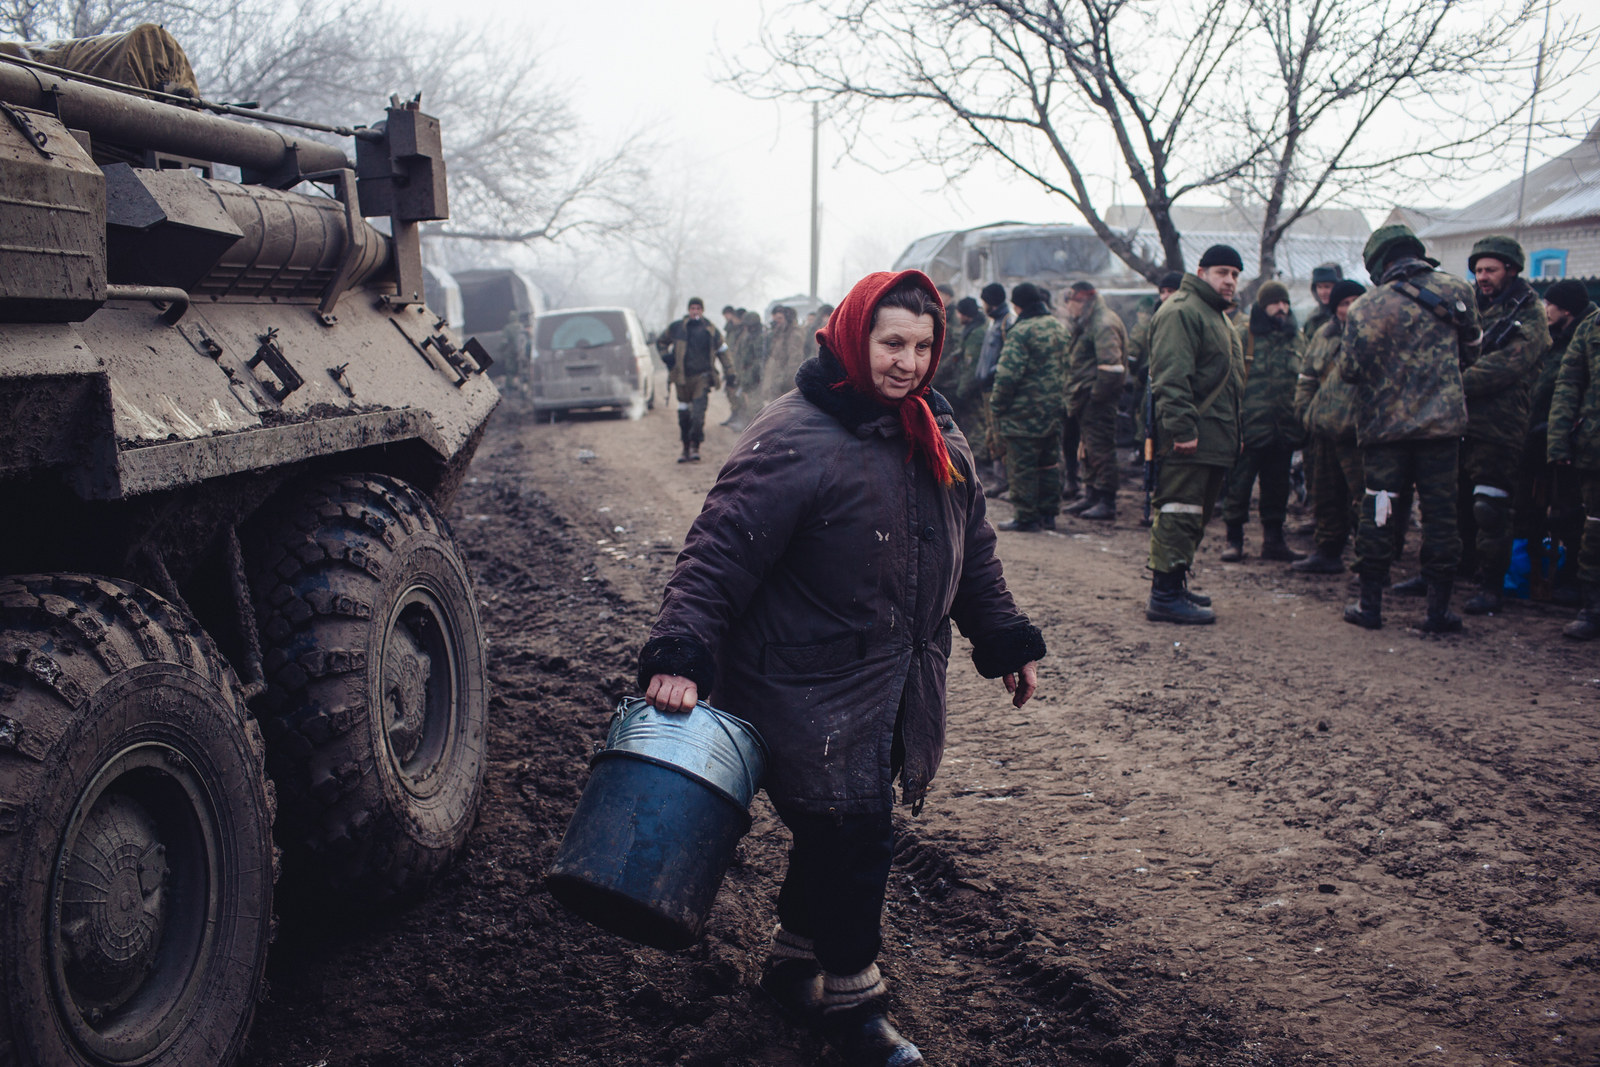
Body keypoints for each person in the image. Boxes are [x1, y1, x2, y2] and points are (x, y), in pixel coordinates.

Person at [637, 269, 1045, 1066]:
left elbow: (973, 558)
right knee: (857, 836)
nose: (909, 363)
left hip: (891, 683)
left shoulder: (938, 433)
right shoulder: (797, 434)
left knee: (834, 832)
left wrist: (1006, 641)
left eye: (925, 346)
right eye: (892, 342)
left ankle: (794, 963)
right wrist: (682, 652)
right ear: (855, 337)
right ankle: (856, 1005)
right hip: (803, 686)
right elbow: (718, 550)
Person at [1338, 223, 1480, 631]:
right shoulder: (1457, 291)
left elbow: (1349, 370)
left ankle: (1370, 606)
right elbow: (1472, 350)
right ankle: (1437, 611)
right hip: (1442, 428)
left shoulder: (1367, 306)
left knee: (1379, 509)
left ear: (1378, 263)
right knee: (1440, 515)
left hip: (1385, 433)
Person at [1144, 246, 1247, 623]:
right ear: (1201, 272)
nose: (1230, 281)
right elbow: (1172, 377)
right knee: (1178, 511)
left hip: (1212, 437)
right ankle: (1164, 595)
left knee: (1194, 514)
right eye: (1223, 272)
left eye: (1235, 274)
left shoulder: (1214, 315)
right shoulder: (1183, 311)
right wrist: (1183, 429)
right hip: (1190, 437)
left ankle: (1175, 582)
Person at [1455, 236, 1550, 615]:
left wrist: (1453, 382)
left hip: (1501, 425)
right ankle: (1450, 573)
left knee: (1489, 507)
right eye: (1478, 270)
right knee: (1452, 503)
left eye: (1490, 269)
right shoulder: (1472, 309)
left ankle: (1491, 585)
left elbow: (1509, 364)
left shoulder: (1530, 313)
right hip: (1460, 421)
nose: (1482, 277)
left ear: (1510, 270)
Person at [1219, 281, 1306, 562]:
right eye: (1275, 303)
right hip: (1249, 427)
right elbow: (1226, 380)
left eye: (1285, 303)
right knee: (1238, 486)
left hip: (1283, 429)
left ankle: (1274, 541)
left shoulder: (1296, 338)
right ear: (1262, 305)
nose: (1282, 308)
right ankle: (1234, 540)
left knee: (1278, 487)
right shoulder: (1244, 335)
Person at [1525, 280, 1597, 605]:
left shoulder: (1580, 336)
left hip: (1580, 439)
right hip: (1566, 440)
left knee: (1579, 518)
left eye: (1550, 304)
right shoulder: (1560, 340)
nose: (1545, 309)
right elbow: (1560, 389)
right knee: (1565, 514)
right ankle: (1567, 581)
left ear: (1566, 308)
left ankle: (1576, 583)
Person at [1292, 279, 1366, 574]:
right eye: (1344, 304)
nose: (1350, 309)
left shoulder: (1373, 333)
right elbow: (1307, 376)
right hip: (1323, 431)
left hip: (1358, 433)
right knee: (1325, 494)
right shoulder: (1323, 334)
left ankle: (1369, 561)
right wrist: (1304, 412)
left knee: (1363, 500)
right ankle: (1327, 551)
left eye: (1355, 302)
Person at [991, 283, 1069, 532]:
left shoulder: (1021, 331)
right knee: (1049, 463)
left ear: (1017, 305)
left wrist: (997, 404)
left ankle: (1026, 516)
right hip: (1054, 410)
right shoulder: (1058, 327)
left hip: (1023, 413)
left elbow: (1007, 375)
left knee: (1022, 465)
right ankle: (1049, 513)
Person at [1546, 282, 1600, 638]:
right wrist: (1559, 441)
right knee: (1595, 528)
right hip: (1595, 448)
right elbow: (1568, 385)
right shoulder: (1591, 328)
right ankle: (1593, 608)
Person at [1061, 280, 1128, 521]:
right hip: (1085, 398)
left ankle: (1106, 499)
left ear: (1080, 301)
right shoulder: (1088, 321)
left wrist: (1095, 397)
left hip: (1097, 400)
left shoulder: (1102, 322)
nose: (1068, 308)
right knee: (1087, 448)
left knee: (1101, 448)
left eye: (1070, 303)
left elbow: (1111, 368)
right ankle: (1091, 493)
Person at [662, 297, 735, 463]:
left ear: (702, 310)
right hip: (682, 378)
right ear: (689, 310)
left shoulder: (710, 330)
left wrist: (729, 371)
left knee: (698, 414)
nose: (695, 311)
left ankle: (695, 445)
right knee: (684, 415)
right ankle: (685, 447)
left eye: (698, 308)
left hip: (702, 377)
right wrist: (666, 357)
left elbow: (723, 351)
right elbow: (661, 341)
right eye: (692, 308)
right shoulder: (677, 328)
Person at [1126, 271, 1182, 448]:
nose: (1166, 296)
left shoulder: (1183, 318)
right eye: (1162, 291)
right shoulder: (1159, 317)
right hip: (1153, 383)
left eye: (1171, 291)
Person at [976, 283, 1013, 497]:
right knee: (992, 435)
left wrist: (991, 373)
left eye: (984, 301)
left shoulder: (1006, 323)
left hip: (995, 387)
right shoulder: (995, 322)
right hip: (987, 388)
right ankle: (1001, 481)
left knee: (999, 435)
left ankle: (1006, 482)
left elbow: (1007, 357)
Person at [763, 305, 806, 405]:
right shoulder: (781, 332)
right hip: (777, 378)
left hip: (784, 382)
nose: (778, 321)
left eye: (781, 318)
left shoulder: (794, 334)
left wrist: (787, 381)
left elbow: (794, 360)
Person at [1302, 263, 1344, 341]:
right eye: (1319, 287)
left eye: (1327, 286)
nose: (1323, 292)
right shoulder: (1313, 319)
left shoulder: (1347, 313)